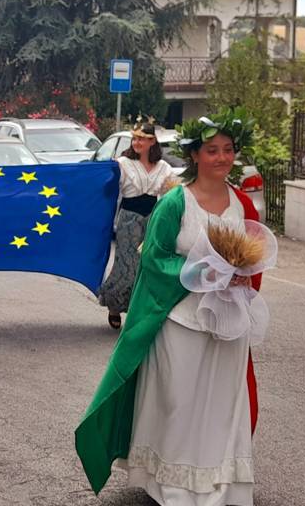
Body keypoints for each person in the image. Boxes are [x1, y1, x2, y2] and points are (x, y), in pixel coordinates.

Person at [76, 109, 266, 506]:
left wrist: (242, 276)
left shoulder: (242, 205)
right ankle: (173, 484)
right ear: (195, 155)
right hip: (180, 321)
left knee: (223, 404)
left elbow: (254, 258)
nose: (221, 157)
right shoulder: (175, 202)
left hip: (226, 322)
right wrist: (203, 272)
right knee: (179, 402)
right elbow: (154, 259)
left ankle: (222, 484)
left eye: (228, 149)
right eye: (212, 150)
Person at [99, 122, 176, 329]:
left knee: (148, 265)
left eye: (141, 139)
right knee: (127, 264)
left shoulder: (164, 168)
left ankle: (139, 309)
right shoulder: (122, 163)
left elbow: (172, 195)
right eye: (134, 138)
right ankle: (115, 305)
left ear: (152, 141)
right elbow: (107, 188)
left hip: (152, 220)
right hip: (129, 219)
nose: (136, 142)